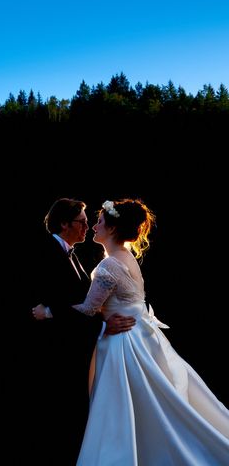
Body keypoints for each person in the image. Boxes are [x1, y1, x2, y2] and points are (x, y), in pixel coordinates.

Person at [35, 198, 229, 464]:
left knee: (121, 406)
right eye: (87, 221)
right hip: (140, 337)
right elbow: (118, 304)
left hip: (122, 343)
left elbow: (90, 308)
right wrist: (105, 317)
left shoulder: (108, 265)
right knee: (146, 404)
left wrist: (48, 312)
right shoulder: (126, 258)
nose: (93, 226)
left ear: (113, 229)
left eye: (99, 221)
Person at [27, 198, 136, 464]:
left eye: (90, 222)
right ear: (64, 223)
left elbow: (81, 305)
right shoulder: (43, 253)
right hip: (56, 353)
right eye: (82, 222)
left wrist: (54, 311)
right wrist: (101, 324)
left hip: (76, 349)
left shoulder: (75, 256)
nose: (87, 226)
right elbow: (51, 303)